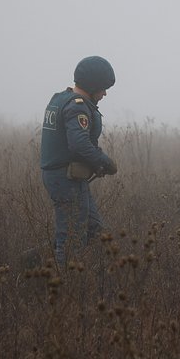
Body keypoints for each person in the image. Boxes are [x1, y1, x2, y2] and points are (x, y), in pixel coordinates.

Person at [40, 56, 118, 266]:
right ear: (93, 85)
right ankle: (63, 285)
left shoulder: (61, 99)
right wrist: (104, 161)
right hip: (65, 181)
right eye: (103, 88)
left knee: (94, 230)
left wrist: (94, 164)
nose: (104, 93)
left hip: (66, 177)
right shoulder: (77, 107)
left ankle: (91, 277)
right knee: (71, 240)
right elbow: (79, 144)